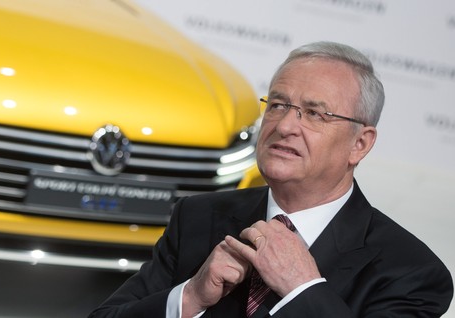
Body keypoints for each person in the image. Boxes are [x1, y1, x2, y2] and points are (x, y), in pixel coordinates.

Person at [88, 41, 453, 317]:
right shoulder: (197, 217)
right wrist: (189, 297)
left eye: (314, 114)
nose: (285, 126)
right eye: (277, 105)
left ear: (359, 144)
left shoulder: (412, 272)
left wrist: (302, 287)